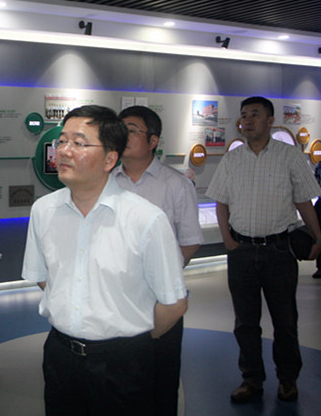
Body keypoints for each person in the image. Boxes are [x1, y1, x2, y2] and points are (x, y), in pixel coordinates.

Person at [22, 105, 187, 415]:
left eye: (79, 143)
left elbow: (173, 303)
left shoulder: (146, 219)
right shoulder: (43, 210)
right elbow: (44, 278)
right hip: (60, 356)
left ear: (110, 159)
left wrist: (131, 339)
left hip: (123, 363)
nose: (64, 151)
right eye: (62, 141)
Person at [207, 96, 321, 404]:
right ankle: (251, 379)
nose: (247, 120)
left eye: (254, 114)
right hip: (242, 251)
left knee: (285, 322)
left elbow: (304, 201)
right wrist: (228, 241)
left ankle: (288, 379)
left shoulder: (289, 156)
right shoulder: (233, 159)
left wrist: (318, 237)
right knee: (245, 323)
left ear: (270, 121)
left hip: (278, 251)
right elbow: (221, 203)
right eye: (244, 115)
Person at [112, 105, 203, 416]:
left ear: (153, 141)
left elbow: (189, 241)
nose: (123, 136)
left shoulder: (176, 184)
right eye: (119, 129)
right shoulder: (106, 182)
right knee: (117, 381)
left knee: (160, 379)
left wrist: (161, 276)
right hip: (115, 297)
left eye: (131, 130)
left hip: (160, 299)